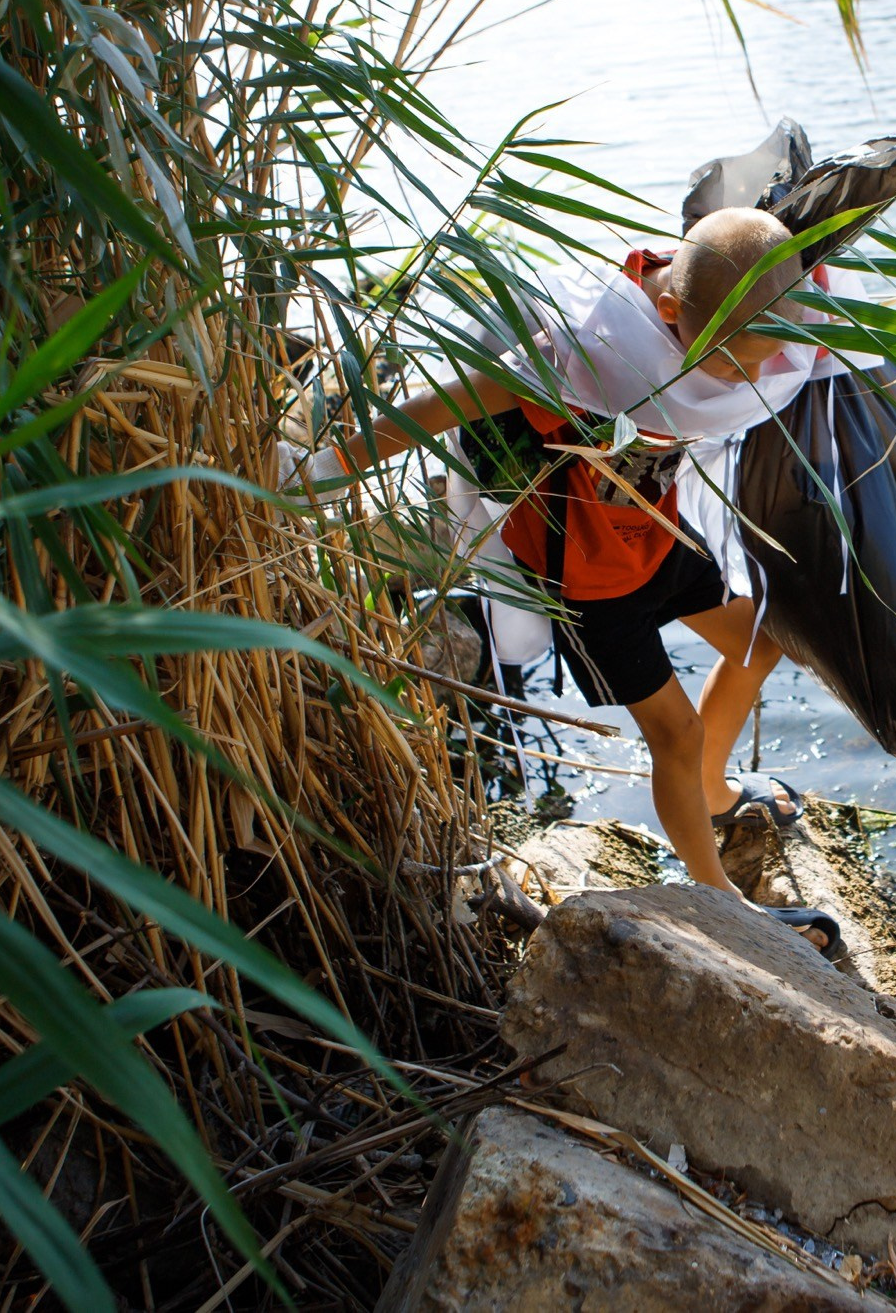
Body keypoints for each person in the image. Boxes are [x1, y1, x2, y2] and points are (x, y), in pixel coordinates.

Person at [284, 207, 845, 955]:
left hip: (657, 536)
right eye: (732, 362)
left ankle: (713, 794)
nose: (748, 378)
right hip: (588, 576)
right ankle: (718, 901)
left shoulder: (738, 300)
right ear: (670, 312)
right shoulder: (587, 350)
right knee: (672, 732)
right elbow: (446, 401)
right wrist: (324, 468)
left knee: (760, 645)